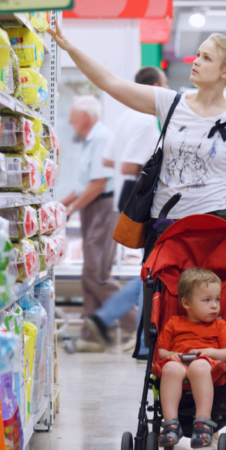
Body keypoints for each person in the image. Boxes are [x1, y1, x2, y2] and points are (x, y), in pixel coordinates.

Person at [49, 27, 226, 450]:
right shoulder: (171, 102)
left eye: (205, 57)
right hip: (168, 231)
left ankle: (211, 415)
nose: (195, 61)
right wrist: (70, 46)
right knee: (167, 314)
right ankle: (169, 412)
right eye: (196, 54)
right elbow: (111, 83)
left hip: (215, 230)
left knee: (215, 312)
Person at [86, 67, 168, 356]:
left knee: (153, 265)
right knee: (156, 266)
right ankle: (137, 337)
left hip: (126, 197)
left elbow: (109, 160)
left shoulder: (125, 117)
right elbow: (129, 165)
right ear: (156, 86)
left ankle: (119, 324)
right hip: (142, 200)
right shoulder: (146, 119)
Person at [61, 95, 132, 352]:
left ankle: (137, 323)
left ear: (86, 117)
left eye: (73, 116)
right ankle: (91, 337)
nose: (70, 121)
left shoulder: (101, 138)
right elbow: (84, 185)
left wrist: (70, 209)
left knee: (97, 273)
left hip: (103, 207)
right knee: (89, 273)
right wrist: (61, 205)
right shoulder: (91, 140)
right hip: (93, 206)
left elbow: (99, 184)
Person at [155, 268, 226, 450]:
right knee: (169, 369)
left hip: (208, 366)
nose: (214, 305)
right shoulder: (174, 323)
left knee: (199, 366)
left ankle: (203, 422)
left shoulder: (220, 325)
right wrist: (170, 355)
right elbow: (160, 351)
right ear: (186, 303)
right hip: (179, 362)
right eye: (207, 300)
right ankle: (171, 424)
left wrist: (210, 352)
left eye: (217, 299)